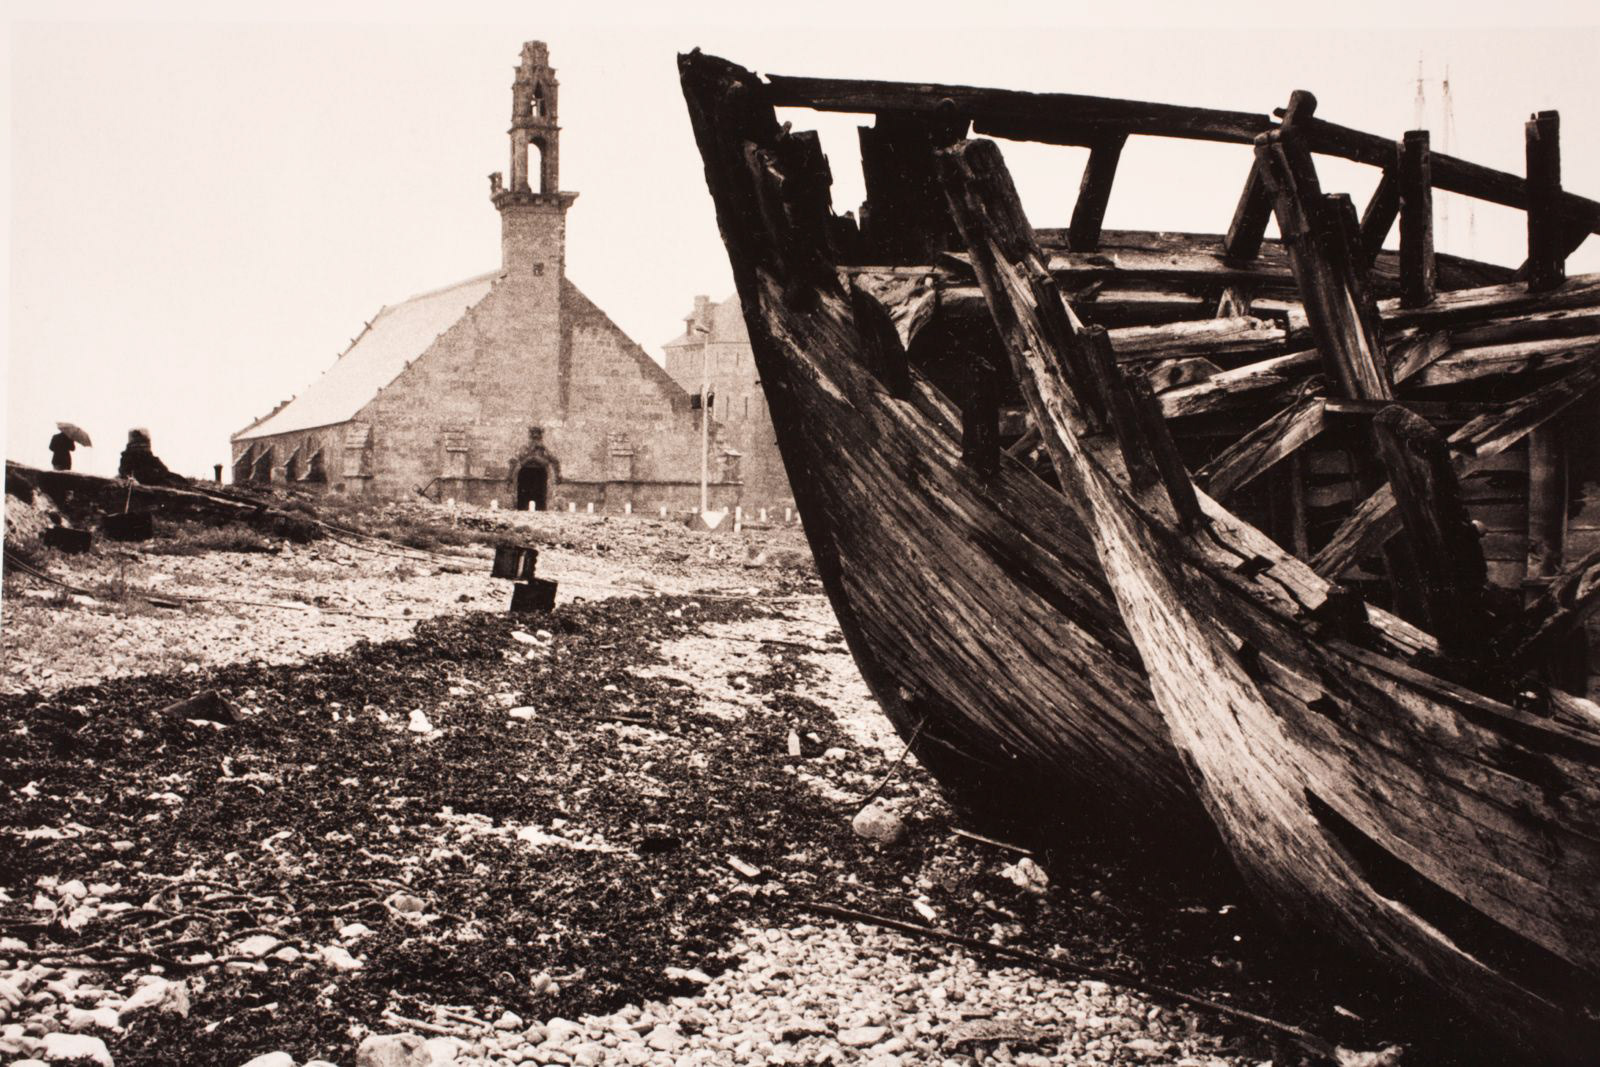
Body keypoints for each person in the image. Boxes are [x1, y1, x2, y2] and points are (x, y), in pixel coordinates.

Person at [118, 428, 186, 487]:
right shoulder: (128, 457)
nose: (142, 447)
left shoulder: (149, 457)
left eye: (143, 444)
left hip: (153, 480)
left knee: (176, 479)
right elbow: (124, 472)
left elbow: (164, 470)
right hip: (142, 481)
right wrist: (129, 478)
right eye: (139, 444)